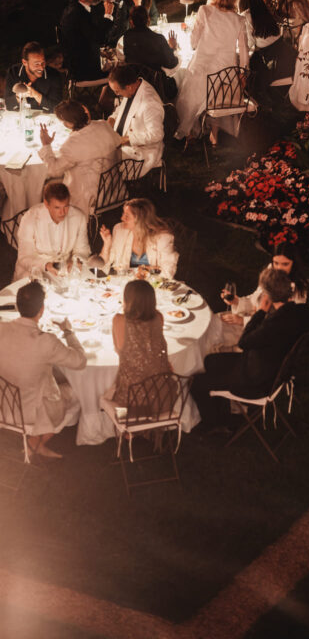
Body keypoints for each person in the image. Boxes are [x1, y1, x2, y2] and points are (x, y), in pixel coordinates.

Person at [191, 267, 309, 430]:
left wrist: (260, 312)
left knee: (198, 383)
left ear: (268, 296)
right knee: (210, 361)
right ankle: (221, 411)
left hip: (255, 381)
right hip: (266, 367)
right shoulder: (298, 311)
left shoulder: (273, 323)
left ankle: (214, 425)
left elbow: (244, 342)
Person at [0, 280, 86, 459]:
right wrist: (68, 332)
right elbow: (80, 362)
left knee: (51, 375)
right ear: (41, 310)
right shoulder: (46, 341)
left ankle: (35, 441)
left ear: (17, 305)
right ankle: (36, 442)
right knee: (80, 390)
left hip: (4, 403)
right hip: (31, 412)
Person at [175, 0, 249, 142]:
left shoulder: (205, 10)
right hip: (225, 76)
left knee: (189, 93)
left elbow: (194, 41)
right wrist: (243, 72)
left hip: (203, 70)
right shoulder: (239, 20)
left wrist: (194, 45)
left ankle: (190, 131)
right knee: (214, 94)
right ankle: (213, 132)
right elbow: (244, 49)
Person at [211, 241, 308, 350]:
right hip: (251, 319)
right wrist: (237, 301)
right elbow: (256, 299)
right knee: (212, 324)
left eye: (285, 264)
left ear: (294, 264)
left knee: (214, 341)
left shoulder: (298, 290)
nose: (279, 268)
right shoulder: (271, 271)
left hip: (262, 337)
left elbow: (279, 325)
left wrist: (243, 320)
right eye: (276, 263)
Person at [38, 100, 120, 216]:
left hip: (89, 198)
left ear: (67, 123)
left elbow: (53, 170)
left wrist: (46, 145)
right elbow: (118, 144)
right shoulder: (103, 125)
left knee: (47, 183)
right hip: (114, 190)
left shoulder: (72, 144)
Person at [109, 279, 173, 406]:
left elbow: (118, 350)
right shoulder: (159, 317)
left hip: (131, 400)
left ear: (128, 300)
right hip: (161, 394)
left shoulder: (119, 320)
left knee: (106, 394)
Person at [14, 182, 90, 281]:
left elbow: (82, 249)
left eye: (66, 206)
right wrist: (45, 265)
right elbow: (24, 257)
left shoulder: (79, 217)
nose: (62, 212)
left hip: (65, 271)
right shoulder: (30, 218)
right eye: (57, 207)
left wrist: (76, 261)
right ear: (46, 203)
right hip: (34, 271)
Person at [239, 0, 296, 104]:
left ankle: (256, 101)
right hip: (288, 57)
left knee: (248, 67)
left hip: (273, 63)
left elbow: (248, 44)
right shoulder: (265, 9)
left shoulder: (246, 16)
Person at [108, 64, 164, 175]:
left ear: (129, 87)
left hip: (141, 151)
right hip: (121, 142)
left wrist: (127, 139)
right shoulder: (133, 88)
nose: (116, 94)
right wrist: (112, 119)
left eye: (117, 91)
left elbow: (157, 135)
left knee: (102, 162)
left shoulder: (150, 103)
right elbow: (122, 110)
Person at [99, 198, 178, 277]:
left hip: (152, 283)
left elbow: (168, 272)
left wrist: (143, 270)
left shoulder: (163, 237)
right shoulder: (119, 230)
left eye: (127, 216)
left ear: (140, 219)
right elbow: (102, 266)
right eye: (123, 214)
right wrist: (107, 244)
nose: (122, 218)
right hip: (125, 281)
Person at [59, 0, 115, 82]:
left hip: (80, 67)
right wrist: (108, 14)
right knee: (121, 71)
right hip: (85, 72)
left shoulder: (75, 9)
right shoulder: (78, 14)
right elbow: (99, 38)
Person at [4, 41, 63, 113]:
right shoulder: (13, 72)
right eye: (36, 64)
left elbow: (57, 108)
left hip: (45, 117)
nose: (41, 68)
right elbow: (8, 105)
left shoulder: (54, 75)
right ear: (25, 62)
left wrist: (36, 95)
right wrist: (18, 97)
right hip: (20, 116)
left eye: (43, 62)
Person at [121, 6, 179, 78]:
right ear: (148, 19)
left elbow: (128, 57)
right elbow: (171, 64)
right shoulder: (158, 39)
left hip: (134, 78)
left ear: (131, 21)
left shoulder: (127, 36)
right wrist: (173, 48)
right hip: (154, 80)